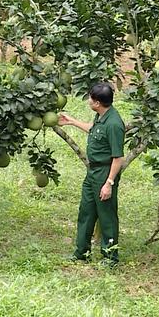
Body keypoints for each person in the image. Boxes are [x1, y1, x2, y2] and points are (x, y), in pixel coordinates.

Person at [58, 83, 125, 266]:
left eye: (90, 98)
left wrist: (109, 183)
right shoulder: (102, 116)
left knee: (107, 216)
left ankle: (110, 257)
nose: (88, 100)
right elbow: (93, 129)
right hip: (92, 171)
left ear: (96, 103)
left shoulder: (114, 124)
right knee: (86, 211)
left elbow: (118, 158)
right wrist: (71, 121)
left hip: (104, 172)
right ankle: (82, 252)